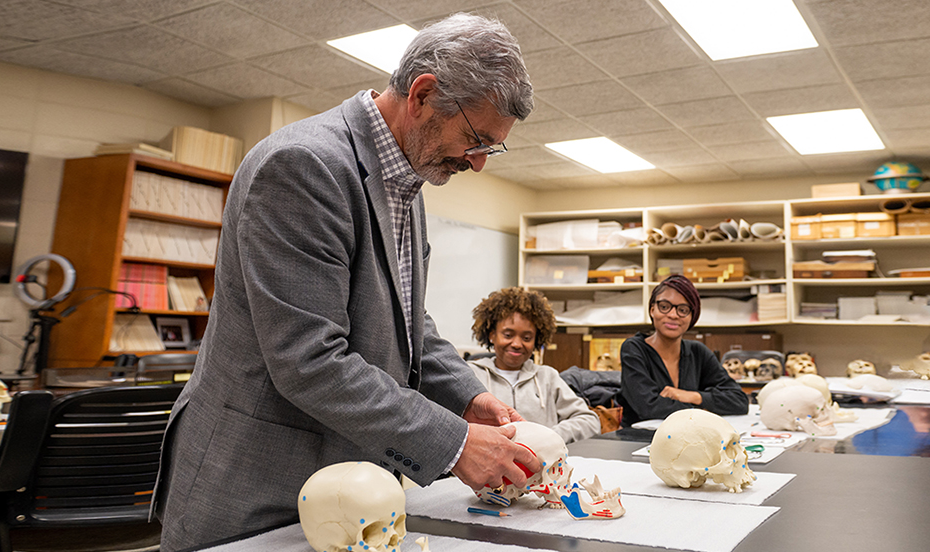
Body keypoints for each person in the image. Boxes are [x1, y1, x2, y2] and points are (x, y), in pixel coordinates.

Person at [153, 13, 539, 551]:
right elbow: (309, 360)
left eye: (491, 149)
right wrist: (453, 445)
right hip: (261, 480)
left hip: (351, 482)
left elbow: (408, 320)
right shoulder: (304, 166)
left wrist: (469, 397)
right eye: (476, 140)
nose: (477, 163)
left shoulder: (405, 180)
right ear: (422, 95)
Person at [468, 287, 601, 444]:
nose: (517, 344)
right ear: (492, 335)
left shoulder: (547, 376)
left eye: (526, 337)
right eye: (508, 335)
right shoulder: (471, 374)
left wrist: (548, 436)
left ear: (536, 340)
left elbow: (589, 421)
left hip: (542, 464)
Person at [617, 275, 748, 425]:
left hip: (690, 439)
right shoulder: (634, 349)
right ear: (652, 310)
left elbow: (739, 401)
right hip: (638, 441)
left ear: (692, 316)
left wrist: (692, 396)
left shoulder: (698, 352)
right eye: (664, 307)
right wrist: (703, 409)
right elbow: (648, 408)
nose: (673, 315)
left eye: (683, 310)